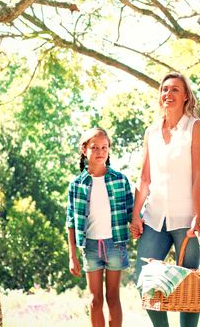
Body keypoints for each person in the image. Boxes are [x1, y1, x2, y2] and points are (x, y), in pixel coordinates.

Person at [130, 72, 200, 327]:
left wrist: (196, 219)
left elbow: (198, 177)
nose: (168, 93)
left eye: (175, 89)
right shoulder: (152, 132)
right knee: (143, 280)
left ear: (186, 96)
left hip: (189, 217)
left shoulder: (195, 127)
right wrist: (136, 215)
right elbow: (144, 178)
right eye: (164, 89)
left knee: (189, 288)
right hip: (155, 217)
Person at [66, 127, 134, 327]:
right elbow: (70, 221)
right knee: (95, 300)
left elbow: (132, 213)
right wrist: (72, 255)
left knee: (113, 297)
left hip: (116, 245)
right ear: (84, 150)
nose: (100, 152)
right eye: (94, 147)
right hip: (91, 247)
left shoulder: (120, 180)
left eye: (104, 147)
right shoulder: (77, 185)